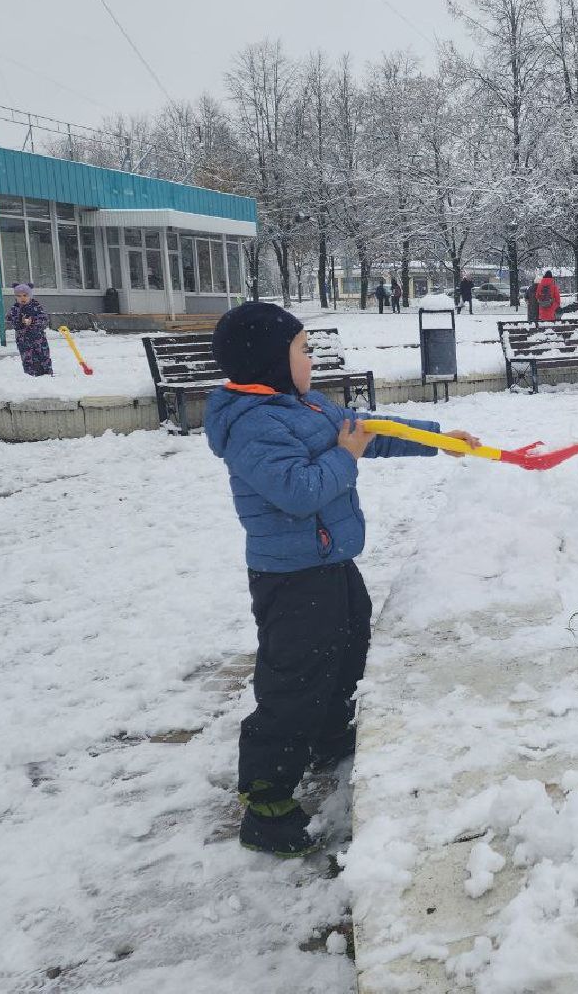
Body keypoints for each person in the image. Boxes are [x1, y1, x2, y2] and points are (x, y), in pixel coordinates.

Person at [203, 302, 480, 857]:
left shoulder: (302, 405)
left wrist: (439, 438)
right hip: (291, 576)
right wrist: (346, 457)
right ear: (270, 361)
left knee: (351, 645)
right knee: (293, 680)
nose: (311, 358)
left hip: (330, 563)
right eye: (302, 350)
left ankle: (330, 736)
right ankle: (267, 800)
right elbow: (298, 491)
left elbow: (367, 432)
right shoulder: (254, 424)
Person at [6, 283, 53, 377]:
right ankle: (30, 375)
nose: (22, 298)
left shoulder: (36, 306)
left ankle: (47, 373)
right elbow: (10, 319)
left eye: (25, 295)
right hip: (23, 339)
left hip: (38, 338)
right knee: (27, 357)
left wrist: (33, 321)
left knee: (43, 355)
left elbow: (44, 319)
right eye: (19, 296)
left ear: (30, 295)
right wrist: (20, 321)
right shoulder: (15, 308)